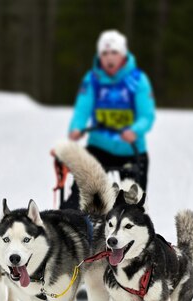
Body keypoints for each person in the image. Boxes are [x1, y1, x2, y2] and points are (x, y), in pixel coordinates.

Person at [61, 29, 156, 210]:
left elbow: (147, 115)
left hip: (132, 150)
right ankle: (71, 224)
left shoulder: (138, 80)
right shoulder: (92, 80)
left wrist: (134, 131)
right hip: (99, 148)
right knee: (80, 193)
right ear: (99, 56)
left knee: (133, 204)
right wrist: (76, 128)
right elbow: (82, 110)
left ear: (123, 55)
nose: (109, 58)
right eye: (104, 53)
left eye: (114, 52)